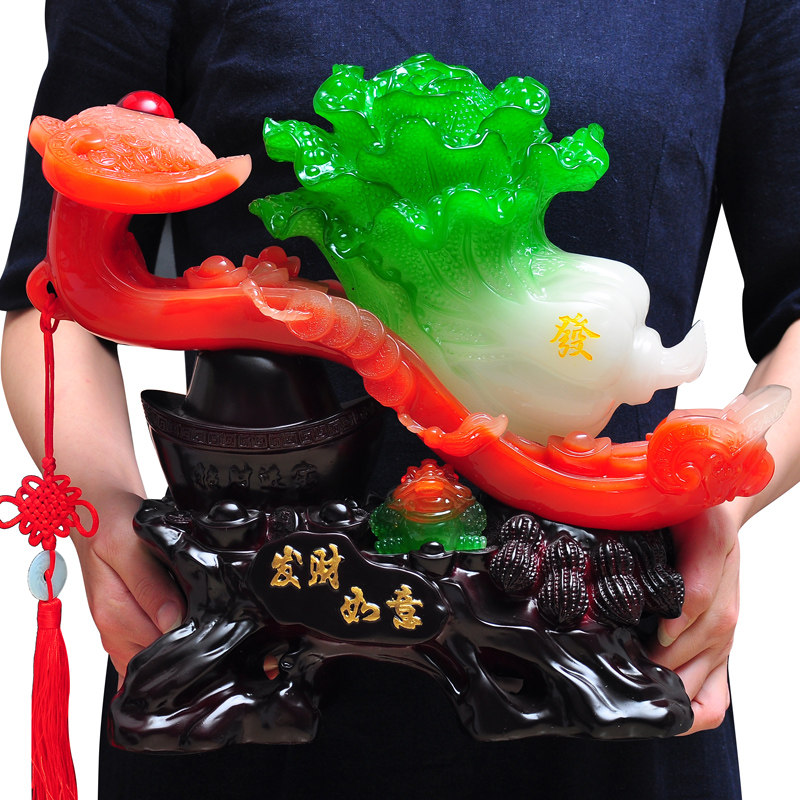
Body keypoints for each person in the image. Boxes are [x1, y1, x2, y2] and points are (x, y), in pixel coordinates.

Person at [2, 1, 800, 797]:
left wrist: (718, 507)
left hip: (598, 651)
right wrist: (106, 514)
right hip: (249, 672)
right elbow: (52, 304)